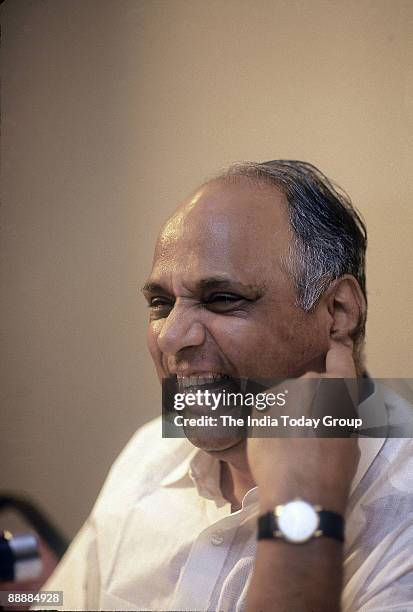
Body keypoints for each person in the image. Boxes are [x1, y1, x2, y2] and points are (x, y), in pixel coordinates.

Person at [38, 161, 412, 611]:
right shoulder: (149, 455)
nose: (171, 338)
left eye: (222, 299)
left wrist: (301, 509)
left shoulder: (402, 510)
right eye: (160, 303)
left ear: (338, 313)